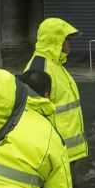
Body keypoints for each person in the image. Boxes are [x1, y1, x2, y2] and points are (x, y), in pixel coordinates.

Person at [26, 18, 87, 161]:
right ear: (56, 40)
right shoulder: (40, 68)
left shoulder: (56, 64)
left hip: (65, 150)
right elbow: (32, 112)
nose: (71, 43)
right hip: (54, 151)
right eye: (68, 39)